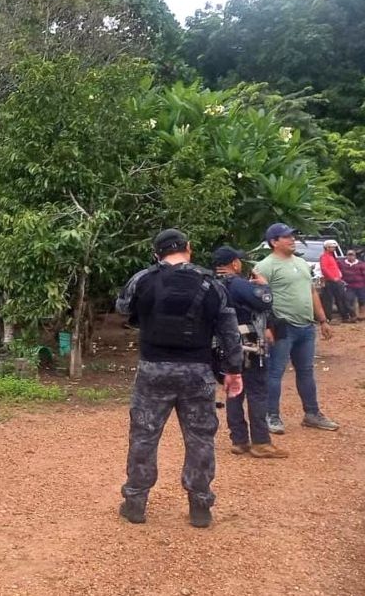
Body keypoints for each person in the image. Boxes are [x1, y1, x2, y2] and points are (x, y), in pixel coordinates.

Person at [116, 229, 243, 528]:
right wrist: (233, 369)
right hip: (196, 373)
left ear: (156, 253)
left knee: (144, 436)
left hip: (152, 370)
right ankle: (200, 507)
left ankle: (135, 503)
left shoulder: (142, 279)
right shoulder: (212, 284)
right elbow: (229, 330)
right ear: (189, 248)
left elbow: (123, 308)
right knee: (200, 438)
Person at [255, 224, 339, 434]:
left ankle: (312, 413)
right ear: (274, 242)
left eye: (293, 236)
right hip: (282, 327)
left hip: (305, 326)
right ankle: (271, 415)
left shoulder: (301, 262)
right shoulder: (265, 266)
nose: (293, 240)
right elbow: (259, 300)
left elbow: (311, 291)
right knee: (275, 372)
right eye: (287, 237)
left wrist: (322, 320)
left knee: (306, 371)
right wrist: (267, 326)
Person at [211, 246, 288, 459]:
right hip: (248, 343)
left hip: (223, 344)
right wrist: (265, 287)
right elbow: (265, 301)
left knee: (234, 390)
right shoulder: (237, 284)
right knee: (257, 391)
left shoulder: (212, 284)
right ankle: (261, 442)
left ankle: (239, 440)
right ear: (234, 263)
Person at [319, 239, 355, 323]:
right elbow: (324, 269)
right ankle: (328, 319)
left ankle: (345, 316)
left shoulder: (331, 256)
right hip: (330, 281)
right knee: (328, 301)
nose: (334, 249)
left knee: (341, 298)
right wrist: (332, 277)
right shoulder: (324, 256)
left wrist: (338, 277)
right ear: (327, 247)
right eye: (332, 247)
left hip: (336, 280)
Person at [339, 249, 365, 319]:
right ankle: (353, 315)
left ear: (355, 256)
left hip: (360, 285)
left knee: (362, 300)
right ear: (346, 256)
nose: (350, 256)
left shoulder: (361, 264)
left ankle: (362, 314)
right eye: (349, 255)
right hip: (349, 285)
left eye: (352, 255)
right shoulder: (342, 263)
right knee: (348, 300)